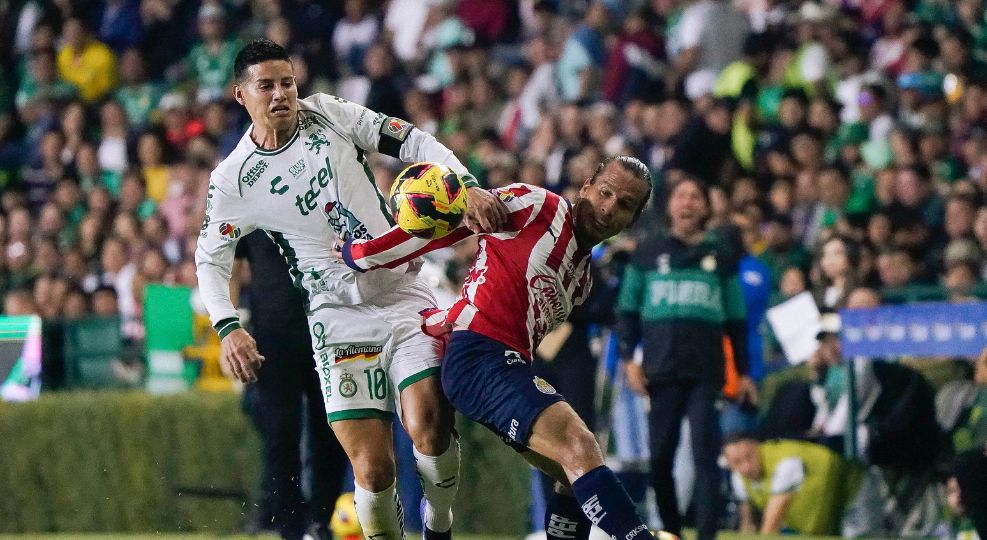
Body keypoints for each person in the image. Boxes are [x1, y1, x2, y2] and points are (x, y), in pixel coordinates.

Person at [195, 39, 504, 540]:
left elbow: (413, 141)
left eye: (287, 83)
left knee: (429, 423)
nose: (281, 95)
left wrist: (465, 184)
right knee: (373, 470)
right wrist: (228, 327)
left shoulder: (330, 114)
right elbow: (210, 260)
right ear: (240, 95)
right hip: (336, 319)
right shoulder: (233, 180)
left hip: (403, 293)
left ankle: (438, 526)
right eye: (266, 85)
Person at [339, 156, 660, 540]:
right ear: (587, 184)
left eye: (624, 204)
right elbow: (445, 225)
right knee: (580, 446)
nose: (608, 207)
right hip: (478, 355)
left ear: (633, 219)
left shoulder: (582, 281)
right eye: (605, 192)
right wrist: (364, 254)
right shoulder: (537, 205)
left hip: (509, 366)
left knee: (574, 472)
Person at [616, 177, 757, 540]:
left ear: (706, 207)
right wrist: (629, 359)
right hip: (660, 370)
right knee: (660, 459)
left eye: (696, 196)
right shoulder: (647, 252)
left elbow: (736, 319)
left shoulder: (721, 256)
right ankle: (672, 532)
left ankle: (706, 536)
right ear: (669, 206)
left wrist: (742, 372)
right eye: (681, 196)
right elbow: (627, 311)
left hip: (705, 370)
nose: (688, 203)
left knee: (705, 457)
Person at [232, 231, 345, 540]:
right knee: (281, 434)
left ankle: (321, 519)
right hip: (271, 338)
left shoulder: (318, 192)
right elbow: (230, 262)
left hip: (328, 331)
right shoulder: (250, 201)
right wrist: (230, 327)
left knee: (331, 430)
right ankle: (291, 526)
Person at [722, 433, 856, 536]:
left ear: (757, 447)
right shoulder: (739, 479)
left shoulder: (785, 463)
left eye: (749, 456)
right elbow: (747, 524)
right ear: (728, 464)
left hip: (855, 496)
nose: (746, 467)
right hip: (827, 522)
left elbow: (770, 528)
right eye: (737, 462)